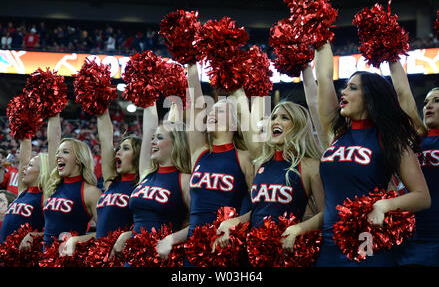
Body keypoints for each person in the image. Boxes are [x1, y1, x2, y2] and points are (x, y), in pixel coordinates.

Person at [314, 42, 431, 267]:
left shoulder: (390, 138)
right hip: (330, 244)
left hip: (369, 244)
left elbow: (422, 196)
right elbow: (324, 78)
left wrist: (383, 206)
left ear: (370, 97)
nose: (343, 91)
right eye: (345, 87)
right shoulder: (336, 133)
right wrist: (320, 33)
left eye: (352, 87)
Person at [158, 63, 254, 265]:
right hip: (194, 249)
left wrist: (235, 224)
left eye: (219, 111)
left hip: (227, 248)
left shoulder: (243, 157)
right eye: (211, 110)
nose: (211, 113)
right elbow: (195, 105)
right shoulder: (199, 152)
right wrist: (191, 64)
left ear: (235, 124)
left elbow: (259, 206)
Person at [215, 90, 325, 252]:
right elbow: (261, 210)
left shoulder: (310, 166)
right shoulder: (262, 164)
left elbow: (326, 211)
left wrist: (299, 228)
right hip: (255, 251)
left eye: (284, 117)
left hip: (286, 253)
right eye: (273, 117)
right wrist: (234, 221)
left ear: (298, 126)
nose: (275, 121)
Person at [111, 102, 191, 258]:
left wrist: (170, 240)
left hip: (161, 258)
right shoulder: (146, 174)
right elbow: (142, 222)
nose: (152, 142)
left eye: (159, 138)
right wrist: (127, 234)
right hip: (133, 256)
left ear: (176, 143)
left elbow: (200, 221)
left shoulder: (185, 179)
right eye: (153, 138)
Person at [60, 108, 141, 256]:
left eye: (126, 148)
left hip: (125, 256)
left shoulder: (142, 186)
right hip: (100, 256)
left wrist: (129, 235)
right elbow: (105, 138)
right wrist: (100, 107)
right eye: (119, 148)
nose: (118, 151)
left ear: (139, 156)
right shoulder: (111, 182)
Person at [20, 114, 102, 251]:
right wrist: (34, 235)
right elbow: (52, 232)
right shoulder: (54, 186)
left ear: (78, 159)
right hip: (46, 259)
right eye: (57, 152)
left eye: (65, 152)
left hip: (71, 261)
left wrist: (78, 240)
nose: (58, 156)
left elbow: (104, 233)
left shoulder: (90, 192)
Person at [388, 61, 439, 266]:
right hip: (409, 235)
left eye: (437, 100)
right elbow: (403, 95)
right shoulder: (417, 138)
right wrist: (391, 55)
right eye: (427, 101)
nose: (428, 105)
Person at [0, 138, 48, 246]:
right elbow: (23, 160)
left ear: (42, 172)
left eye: (30, 165)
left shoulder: (46, 197)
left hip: (24, 258)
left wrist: (35, 235)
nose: (24, 168)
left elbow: (55, 232)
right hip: (4, 256)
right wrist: (25, 131)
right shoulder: (23, 192)